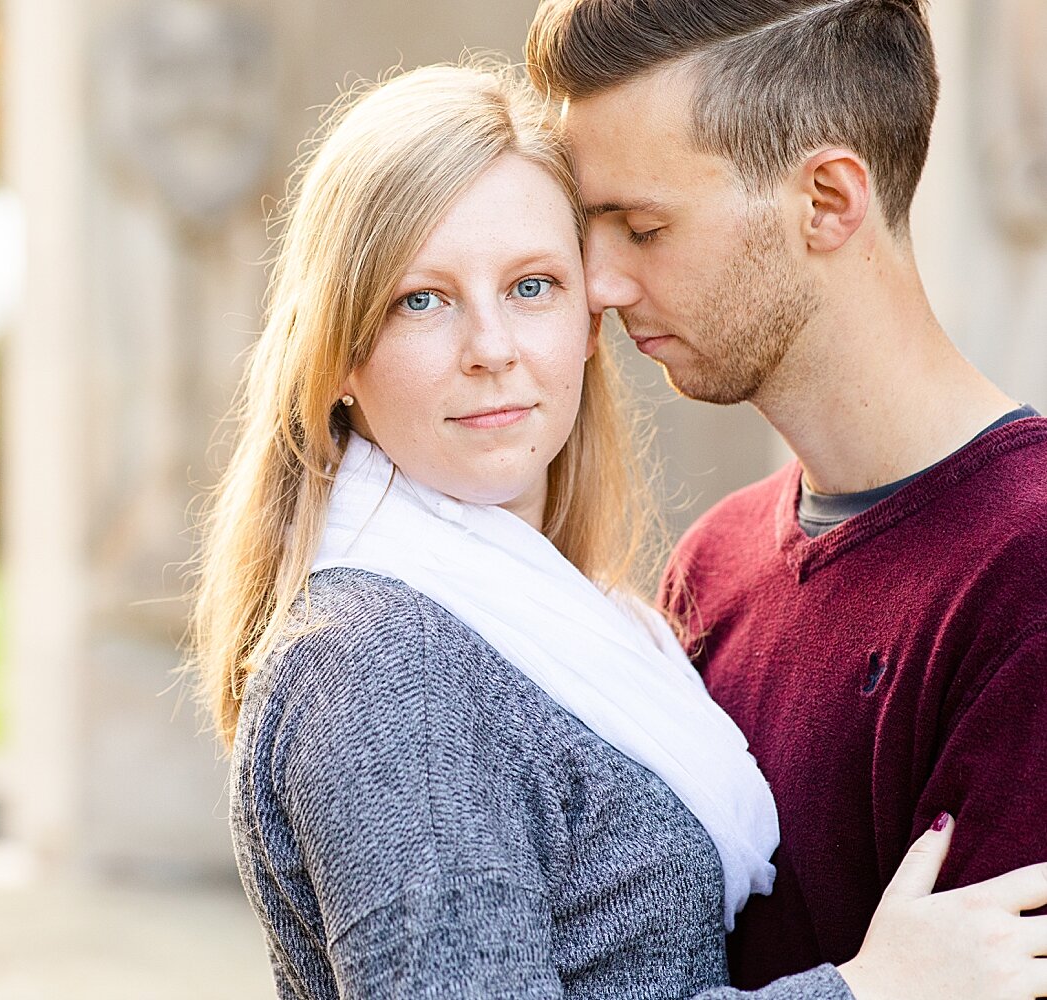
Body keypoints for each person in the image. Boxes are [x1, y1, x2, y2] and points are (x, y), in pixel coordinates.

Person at [187, 61, 1047, 999]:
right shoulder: (383, 658)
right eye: (420, 300)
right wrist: (868, 991)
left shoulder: (591, 628)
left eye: (532, 286)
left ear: (588, 320)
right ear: (340, 354)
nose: (491, 349)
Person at [526, 0, 1047, 992]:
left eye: (641, 227)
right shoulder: (713, 562)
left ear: (826, 200)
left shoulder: (1028, 572)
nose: (596, 281)